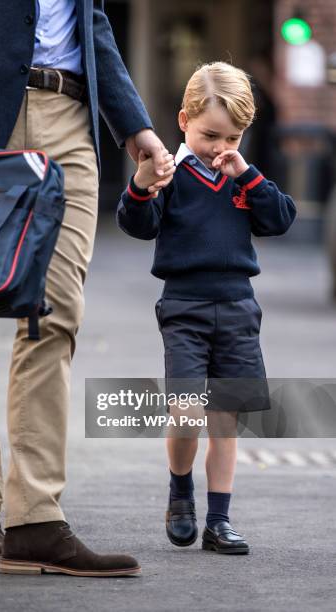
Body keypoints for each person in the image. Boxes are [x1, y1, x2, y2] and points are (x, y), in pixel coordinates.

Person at [0, 0, 173, 577]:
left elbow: (90, 21)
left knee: (56, 312)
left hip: (70, 120)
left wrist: (135, 124)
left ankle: (34, 520)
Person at [117, 61, 296, 554]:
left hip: (239, 307)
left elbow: (281, 219)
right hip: (184, 307)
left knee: (224, 419)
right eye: (211, 135)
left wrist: (249, 175)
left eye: (234, 138)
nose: (222, 148)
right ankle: (180, 493)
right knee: (186, 411)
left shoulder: (243, 177)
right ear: (183, 122)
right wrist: (141, 182)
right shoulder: (170, 175)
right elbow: (138, 224)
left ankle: (219, 520)